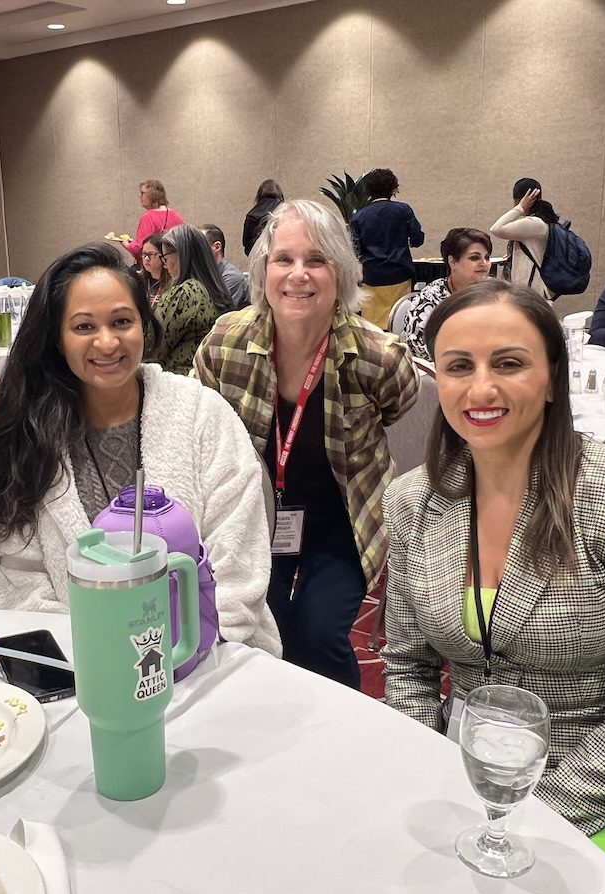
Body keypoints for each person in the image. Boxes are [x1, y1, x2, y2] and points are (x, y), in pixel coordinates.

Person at [381, 281, 605, 894]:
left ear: (553, 377)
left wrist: (526, 813)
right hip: (463, 774)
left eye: (508, 363)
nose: (481, 389)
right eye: (457, 367)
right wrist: (422, 781)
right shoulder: (412, 501)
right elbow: (407, 670)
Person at [0, 243, 280, 654]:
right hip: (81, 668)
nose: (108, 342)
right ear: (57, 339)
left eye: (121, 321)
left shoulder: (201, 414)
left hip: (209, 659)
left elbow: (238, 562)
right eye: (83, 327)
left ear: (143, 326)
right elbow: (13, 579)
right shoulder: (27, 435)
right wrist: (105, 657)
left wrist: (180, 650)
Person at [195, 199, 419, 688]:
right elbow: (202, 425)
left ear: (339, 273)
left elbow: (399, 403)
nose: (299, 274)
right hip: (253, 514)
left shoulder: (377, 356)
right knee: (261, 627)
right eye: (284, 259)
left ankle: (341, 732)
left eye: (316, 260)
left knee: (317, 634)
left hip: (344, 518)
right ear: (263, 271)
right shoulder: (224, 343)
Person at [148, 224, 229, 375]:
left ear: (181, 255)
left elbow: (152, 346)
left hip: (178, 384)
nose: (165, 265)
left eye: (165, 257)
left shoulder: (185, 293)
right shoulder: (215, 288)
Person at [401, 227, 493, 360]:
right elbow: (418, 349)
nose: (484, 263)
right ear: (453, 262)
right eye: (474, 258)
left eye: (487, 257)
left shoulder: (493, 293)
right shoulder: (430, 299)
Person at [349, 167, 424, 328]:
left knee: (373, 327)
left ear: (367, 190)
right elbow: (418, 239)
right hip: (400, 274)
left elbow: (355, 250)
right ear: (393, 188)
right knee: (400, 321)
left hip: (372, 278)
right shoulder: (403, 210)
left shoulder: (359, 217)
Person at [123, 179, 184, 262]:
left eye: (142, 193)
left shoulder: (148, 217)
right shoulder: (176, 215)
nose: (140, 197)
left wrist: (127, 245)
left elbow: (140, 250)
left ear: (152, 195)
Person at [202, 223, 250, 310]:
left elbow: (217, 313)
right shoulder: (206, 274)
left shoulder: (232, 276)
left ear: (217, 247)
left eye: (199, 246)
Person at [242, 179, 284, 256]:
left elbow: (246, 247)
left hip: (258, 260)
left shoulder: (251, 215)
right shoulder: (284, 212)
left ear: (259, 195)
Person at [138, 232, 169, 304]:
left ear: (164, 256)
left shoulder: (173, 283)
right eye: (144, 254)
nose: (146, 259)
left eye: (150, 254)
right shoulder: (139, 280)